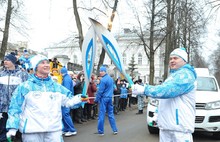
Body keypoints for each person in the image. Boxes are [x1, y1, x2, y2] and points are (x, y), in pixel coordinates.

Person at [6, 55, 87, 142]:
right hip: (32, 131)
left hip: (54, 130)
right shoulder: (25, 87)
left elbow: (69, 101)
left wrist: (79, 99)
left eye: (47, 63)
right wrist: (12, 129)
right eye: (42, 63)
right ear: (36, 67)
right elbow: (15, 108)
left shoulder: (57, 87)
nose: (47, 65)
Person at [132, 47, 197, 142]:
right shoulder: (173, 76)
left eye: (175, 58)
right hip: (167, 127)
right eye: (171, 59)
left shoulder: (186, 75)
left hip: (179, 129)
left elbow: (167, 91)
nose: (172, 61)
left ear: (184, 60)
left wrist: (144, 89)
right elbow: (164, 98)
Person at [0, 52, 29, 142]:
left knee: (18, 131)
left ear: (13, 61)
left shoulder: (22, 74)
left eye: (8, 60)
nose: (5, 61)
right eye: (5, 59)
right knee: (3, 130)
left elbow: (27, 90)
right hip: (3, 107)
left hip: (17, 108)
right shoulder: (1, 74)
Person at [94, 66, 118, 136]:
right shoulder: (111, 79)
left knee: (101, 115)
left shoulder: (103, 80)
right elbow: (113, 88)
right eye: (100, 71)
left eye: (102, 71)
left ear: (105, 71)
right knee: (111, 114)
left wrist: (96, 99)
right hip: (110, 98)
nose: (100, 72)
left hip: (104, 99)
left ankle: (101, 131)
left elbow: (100, 91)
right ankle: (115, 130)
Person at [60, 66, 77, 137]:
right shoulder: (67, 78)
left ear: (61, 72)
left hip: (66, 100)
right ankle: (66, 129)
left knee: (65, 114)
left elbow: (66, 90)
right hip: (66, 99)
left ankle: (72, 130)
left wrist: (64, 99)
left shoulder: (66, 79)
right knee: (64, 115)